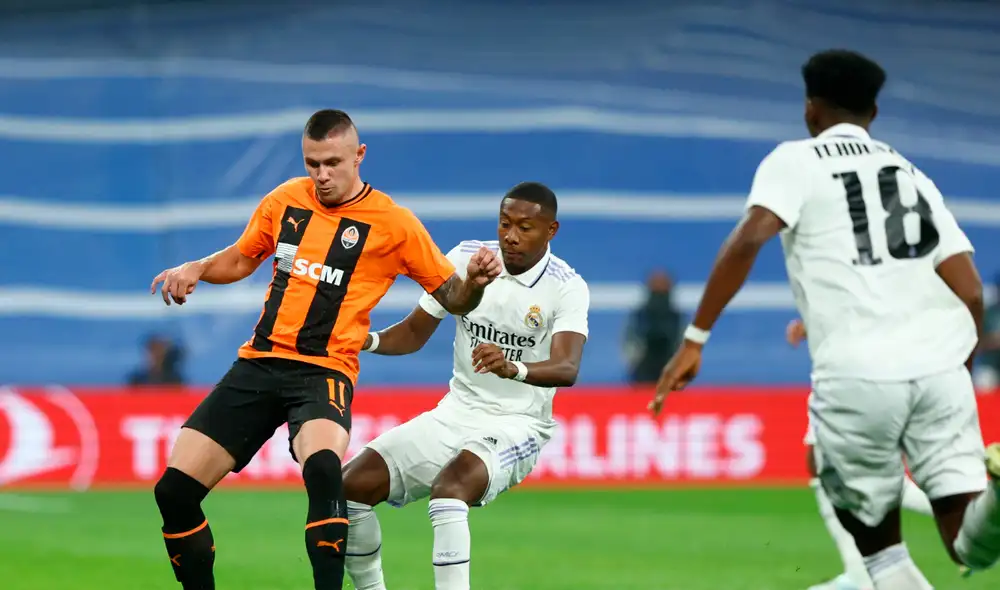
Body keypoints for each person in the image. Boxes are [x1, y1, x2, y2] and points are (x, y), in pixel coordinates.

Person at [649, 49, 1000, 590]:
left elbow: (749, 238)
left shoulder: (796, 160)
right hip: (942, 373)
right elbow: (971, 292)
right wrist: (956, 368)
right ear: (874, 114)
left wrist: (696, 338)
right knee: (967, 546)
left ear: (811, 110)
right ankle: (997, 496)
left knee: (879, 556)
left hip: (858, 374)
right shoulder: (911, 174)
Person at [147, 109, 501, 590]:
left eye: (332, 162)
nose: (322, 175)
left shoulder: (395, 224)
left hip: (323, 371)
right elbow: (240, 257)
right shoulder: (286, 200)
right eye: (312, 163)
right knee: (173, 492)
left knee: (323, 469)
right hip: (258, 363)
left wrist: (474, 284)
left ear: (359, 155)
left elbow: (453, 297)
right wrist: (197, 267)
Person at [340, 182, 590, 590]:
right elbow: (414, 333)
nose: (510, 235)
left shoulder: (566, 287)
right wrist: (364, 340)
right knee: (349, 486)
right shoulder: (467, 258)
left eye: (525, 227)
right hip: (455, 413)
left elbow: (567, 367)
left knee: (451, 488)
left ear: (551, 231)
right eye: (505, 223)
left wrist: (515, 368)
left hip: (518, 424)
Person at [786, 318, 933, 590]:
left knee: (868, 576)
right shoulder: (832, 385)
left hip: (855, 466)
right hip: (839, 482)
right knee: (868, 578)